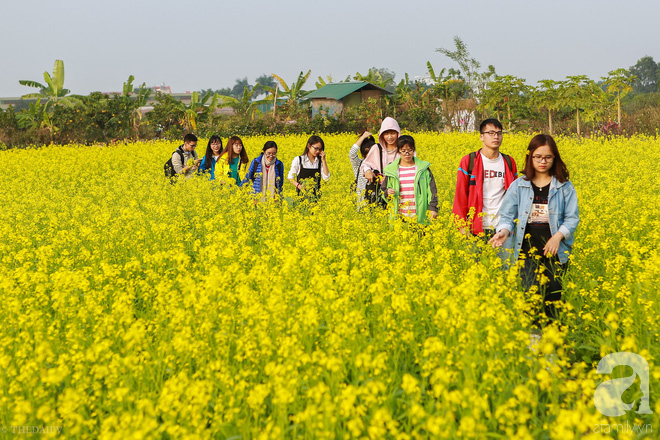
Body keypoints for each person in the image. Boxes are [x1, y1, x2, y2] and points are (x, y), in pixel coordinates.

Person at [489, 134, 579, 320]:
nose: (543, 161)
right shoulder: (519, 186)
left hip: (556, 252)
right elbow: (507, 216)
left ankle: (553, 345)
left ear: (555, 158)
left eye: (548, 157)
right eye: (538, 157)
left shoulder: (565, 187)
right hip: (526, 253)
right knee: (530, 300)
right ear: (530, 157)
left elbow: (571, 218)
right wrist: (503, 231)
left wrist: (557, 237)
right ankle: (533, 343)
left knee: (553, 301)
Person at [452, 119, 518, 238]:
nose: (496, 137)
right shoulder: (469, 161)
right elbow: (460, 195)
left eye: (499, 133)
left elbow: (515, 195)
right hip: (475, 228)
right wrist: (461, 226)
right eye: (491, 133)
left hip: (503, 228)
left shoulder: (509, 162)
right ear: (481, 137)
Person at [381, 135, 438, 224]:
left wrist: (433, 209)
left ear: (414, 150)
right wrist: (387, 192)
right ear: (398, 151)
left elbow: (432, 191)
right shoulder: (391, 170)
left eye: (410, 150)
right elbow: (383, 192)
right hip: (399, 219)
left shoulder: (423, 169)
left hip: (420, 217)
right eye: (403, 151)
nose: (407, 154)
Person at [360, 117, 401, 206]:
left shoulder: (404, 149)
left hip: (399, 192)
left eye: (393, 133)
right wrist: (368, 171)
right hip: (379, 192)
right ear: (382, 135)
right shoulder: (377, 148)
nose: (389, 137)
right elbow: (365, 164)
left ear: (398, 133)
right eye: (386, 134)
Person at [287, 135, 330, 199]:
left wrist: (323, 160)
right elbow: (290, 177)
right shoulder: (299, 160)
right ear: (308, 146)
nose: (318, 151)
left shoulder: (320, 162)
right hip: (301, 197)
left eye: (320, 149)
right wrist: (299, 186)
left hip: (316, 199)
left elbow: (326, 178)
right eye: (316, 148)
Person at [349, 131, 376, 203]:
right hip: (361, 204)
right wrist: (363, 137)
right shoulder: (359, 164)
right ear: (362, 155)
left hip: (376, 205)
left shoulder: (379, 165)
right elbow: (352, 154)